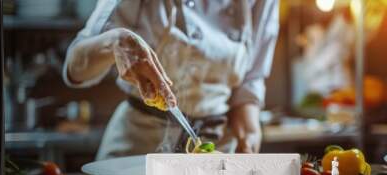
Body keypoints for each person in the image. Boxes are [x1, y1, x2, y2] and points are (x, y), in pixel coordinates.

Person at [63, 0, 279, 160]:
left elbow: (251, 79)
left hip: (218, 149)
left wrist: (248, 137)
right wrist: (114, 42)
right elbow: (74, 68)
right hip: (137, 147)